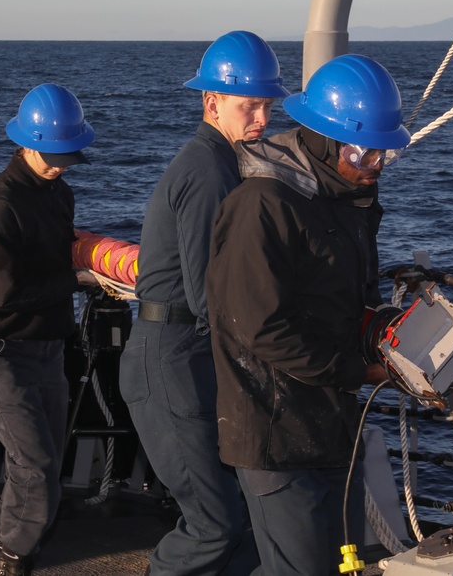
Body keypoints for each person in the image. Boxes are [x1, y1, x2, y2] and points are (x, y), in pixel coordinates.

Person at [204, 54, 411, 576]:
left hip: (330, 424)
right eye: (364, 154)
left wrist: (385, 329)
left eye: (383, 154)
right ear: (322, 139)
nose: (374, 167)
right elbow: (259, 327)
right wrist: (362, 373)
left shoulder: (347, 198)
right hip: (275, 430)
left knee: (336, 562)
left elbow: (345, 298)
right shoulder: (262, 204)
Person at [117, 30, 290, 576]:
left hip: (179, 359)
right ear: (212, 103)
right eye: (250, 106)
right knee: (215, 523)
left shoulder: (216, 162)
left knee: (231, 517)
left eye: (267, 105)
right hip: (170, 364)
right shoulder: (209, 172)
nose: (262, 118)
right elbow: (206, 294)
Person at [0, 83, 98, 576]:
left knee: (42, 463)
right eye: (55, 154)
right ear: (27, 143)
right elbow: (4, 293)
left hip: (46, 349)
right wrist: (77, 278)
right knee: (34, 467)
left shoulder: (59, 193)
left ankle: (19, 545)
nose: (62, 164)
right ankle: (11, 557)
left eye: (68, 154)